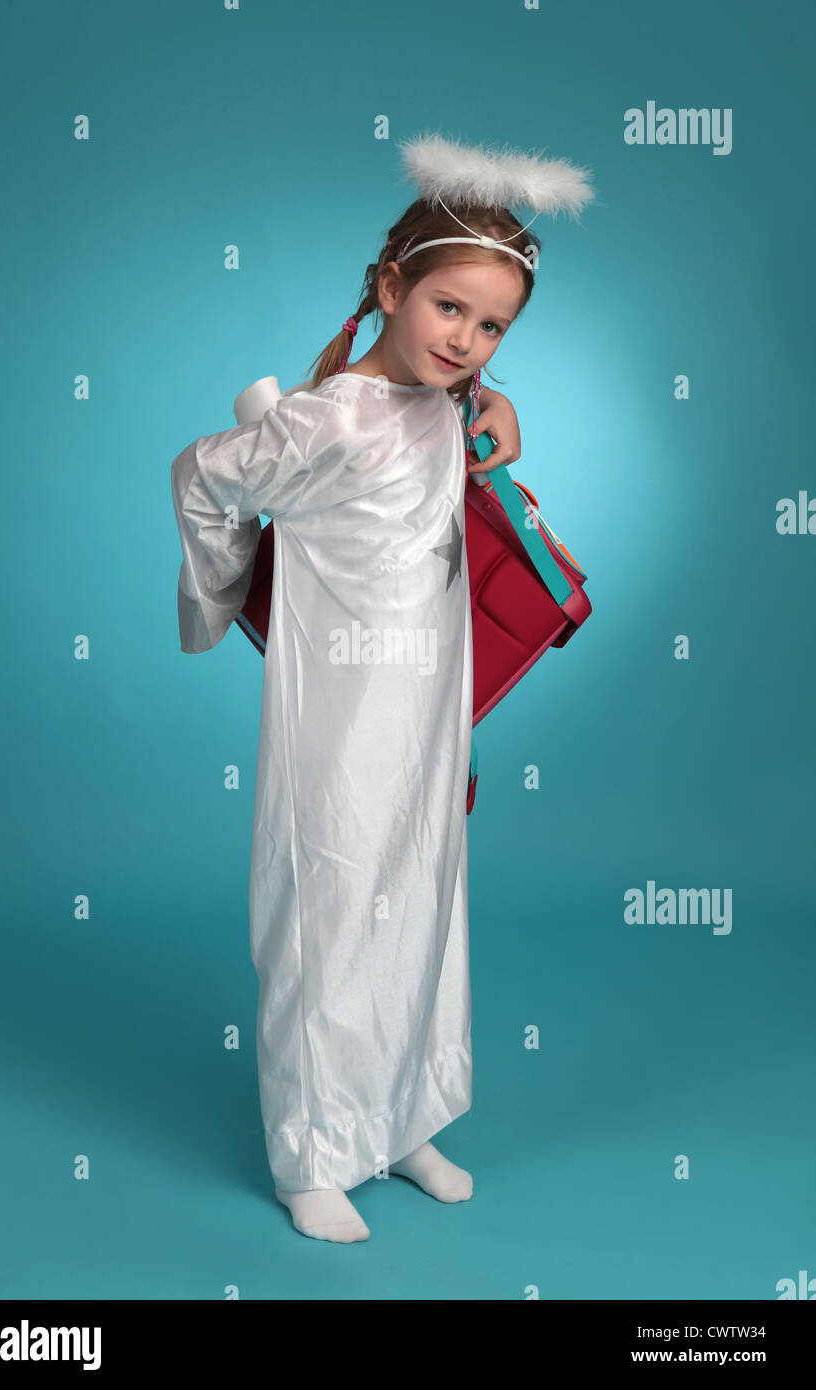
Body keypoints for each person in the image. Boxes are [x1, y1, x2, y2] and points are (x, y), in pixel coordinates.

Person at [170, 133, 593, 1243]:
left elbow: (449, 397)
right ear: (391, 286)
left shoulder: (440, 402)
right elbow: (205, 474)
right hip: (340, 725)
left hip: (422, 715)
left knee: (420, 904)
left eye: (491, 325)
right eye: (448, 310)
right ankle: (312, 1145)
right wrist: (216, 598)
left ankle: (399, 1114)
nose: (466, 339)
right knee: (327, 915)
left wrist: (489, 399)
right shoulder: (323, 420)